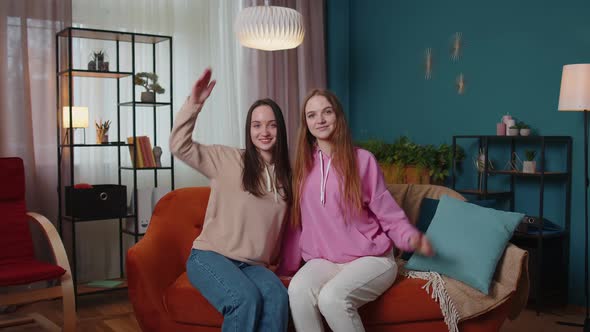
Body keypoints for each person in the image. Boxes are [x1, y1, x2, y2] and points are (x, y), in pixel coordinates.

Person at [278, 89, 434, 332]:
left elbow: (388, 214)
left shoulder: (363, 160)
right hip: (325, 260)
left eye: (326, 112)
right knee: (297, 291)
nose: (319, 120)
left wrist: (410, 237)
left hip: (371, 259)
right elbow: (298, 224)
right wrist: (286, 269)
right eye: (312, 115)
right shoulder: (302, 167)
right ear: (305, 123)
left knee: (332, 299)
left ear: (338, 116)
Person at [170, 68, 292, 332]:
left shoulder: (288, 177)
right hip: (210, 257)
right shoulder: (227, 160)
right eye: (257, 125)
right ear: (249, 130)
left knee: (278, 297)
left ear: (280, 129)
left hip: (252, 265)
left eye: (271, 125)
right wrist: (195, 104)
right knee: (244, 299)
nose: (264, 132)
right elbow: (179, 145)